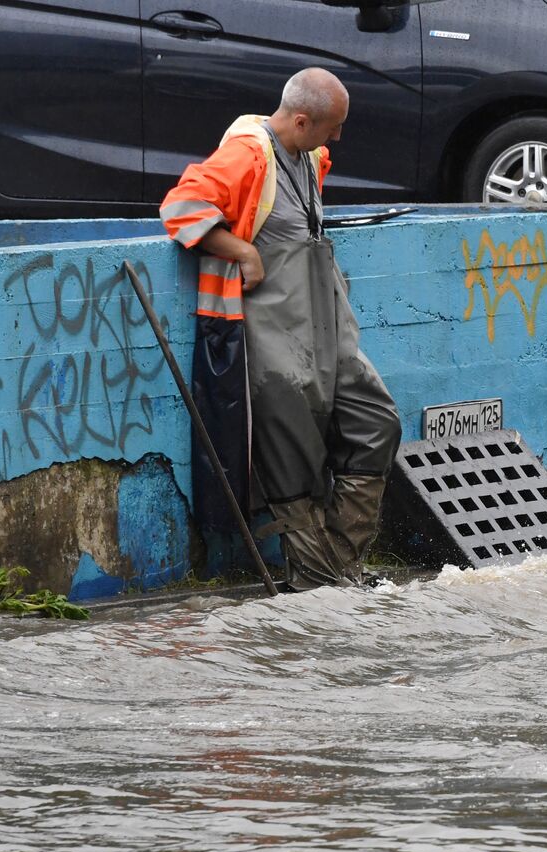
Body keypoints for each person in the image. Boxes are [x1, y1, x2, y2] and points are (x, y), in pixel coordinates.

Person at [160, 68, 401, 591]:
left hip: (326, 332)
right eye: (331, 127)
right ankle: (318, 588)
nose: (337, 138)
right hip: (271, 341)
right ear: (300, 119)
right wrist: (242, 250)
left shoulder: (310, 156)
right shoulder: (248, 156)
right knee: (293, 464)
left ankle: (338, 564)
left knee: (376, 422)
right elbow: (180, 207)